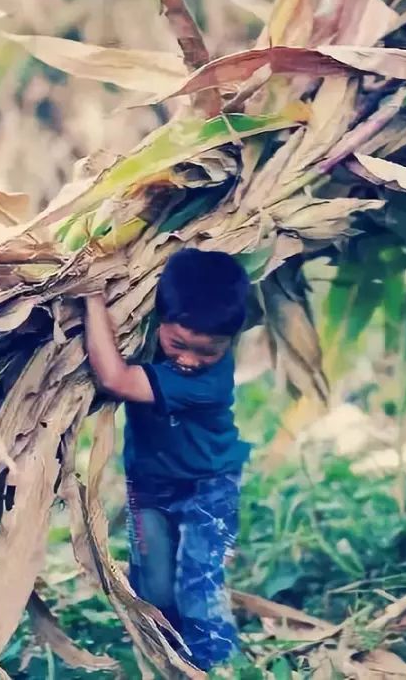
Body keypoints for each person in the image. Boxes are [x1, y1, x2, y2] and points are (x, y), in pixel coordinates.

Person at [80, 248, 252, 673]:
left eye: (207, 351)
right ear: (160, 319)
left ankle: (215, 665)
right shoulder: (148, 338)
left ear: (231, 341)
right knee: (152, 589)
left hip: (209, 488)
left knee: (199, 584)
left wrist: (91, 297)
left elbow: (115, 378)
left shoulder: (207, 382)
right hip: (150, 486)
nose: (190, 360)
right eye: (178, 344)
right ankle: (167, 657)